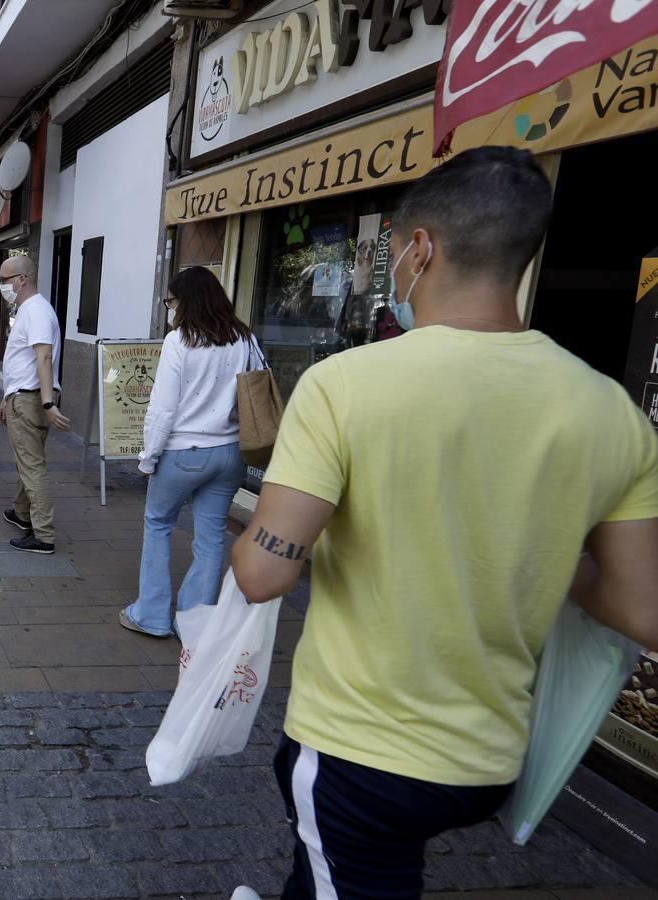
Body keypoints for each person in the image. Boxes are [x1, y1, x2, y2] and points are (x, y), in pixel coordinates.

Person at [228, 148, 658, 899]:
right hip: (488, 758)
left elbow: (264, 574)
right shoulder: (612, 412)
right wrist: (537, 540)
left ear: (419, 249)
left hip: (360, 752)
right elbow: (639, 607)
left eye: (392, 252)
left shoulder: (345, 386)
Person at [120, 268, 256, 638]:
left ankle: (151, 614)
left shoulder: (180, 340)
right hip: (229, 453)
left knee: (159, 525)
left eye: (171, 300)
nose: (170, 307)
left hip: (183, 451)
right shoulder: (244, 338)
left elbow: (162, 408)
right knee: (211, 536)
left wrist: (148, 457)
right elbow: (256, 391)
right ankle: (195, 622)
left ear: (186, 301)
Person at [0, 255, 68, 555]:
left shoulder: (36, 311)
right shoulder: (29, 309)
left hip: (30, 399)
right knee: (28, 460)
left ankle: (43, 535)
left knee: (32, 466)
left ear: (21, 279)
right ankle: (21, 512)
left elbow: (44, 357)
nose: (2, 286)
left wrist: (47, 402)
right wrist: (6, 398)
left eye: (5, 280)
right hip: (23, 396)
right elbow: (25, 362)